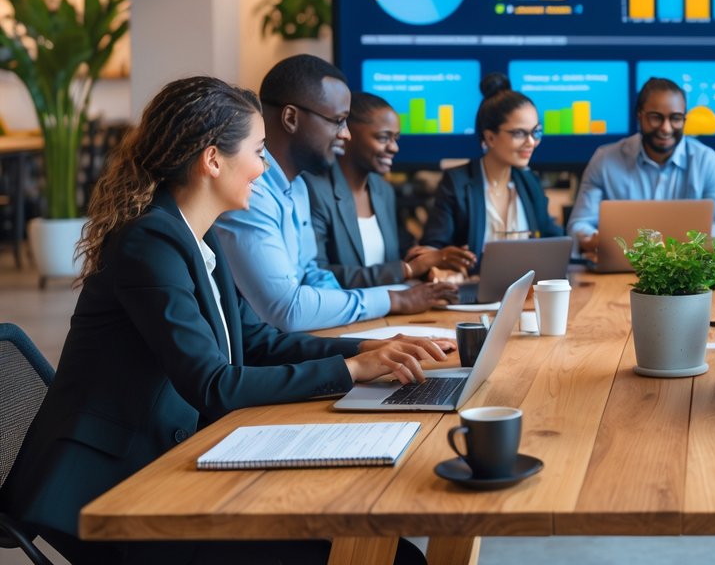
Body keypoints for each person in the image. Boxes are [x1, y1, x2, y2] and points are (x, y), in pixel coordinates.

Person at [0, 77, 447, 565]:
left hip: (166, 468)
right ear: (213, 160)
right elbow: (213, 384)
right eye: (258, 151)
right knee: (382, 555)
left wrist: (363, 351)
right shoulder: (149, 242)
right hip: (114, 494)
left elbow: (255, 341)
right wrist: (353, 373)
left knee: (377, 545)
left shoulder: (198, 238)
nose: (264, 168)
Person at [215, 55, 455, 332]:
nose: (346, 135)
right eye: (338, 121)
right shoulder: (250, 191)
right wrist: (393, 299)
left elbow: (313, 275)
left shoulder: (299, 187)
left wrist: (369, 323)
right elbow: (287, 310)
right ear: (291, 118)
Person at [567, 76, 715, 256]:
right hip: (618, 269)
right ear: (639, 116)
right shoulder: (604, 161)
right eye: (656, 118)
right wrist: (591, 238)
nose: (666, 128)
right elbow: (579, 225)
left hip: (686, 271)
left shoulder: (707, 161)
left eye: (676, 118)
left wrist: (680, 248)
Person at [416, 73, 564, 273]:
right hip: (471, 296)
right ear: (490, 137)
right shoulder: (457, 182)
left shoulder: (530, 182)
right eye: (519, 133)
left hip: (526, 293)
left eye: (535, 131)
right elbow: (432, 250)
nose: (531, 142)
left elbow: (553, 239)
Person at [306, 92, 420, 288]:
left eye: (396, 138)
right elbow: (319, 275)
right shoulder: (315, 190)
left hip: (389, 313)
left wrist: (430, 263)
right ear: (348, 134)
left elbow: (396, 256)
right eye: (384, 138)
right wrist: (405, 271)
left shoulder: (384, 191)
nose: (394, 148)